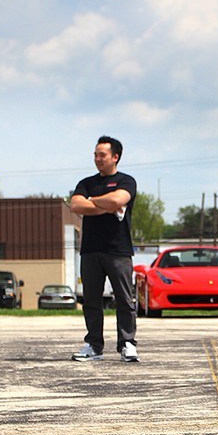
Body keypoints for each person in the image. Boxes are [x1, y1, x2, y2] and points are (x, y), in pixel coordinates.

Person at [69, 135, 139, 362]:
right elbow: (76, 205)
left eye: (102, 155)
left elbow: (118, 201)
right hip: (90, 250)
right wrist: (105, 204)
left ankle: (127, 343)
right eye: (95, 155)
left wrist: (94, 202)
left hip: (118, 250)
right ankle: (93, 345)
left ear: (115, 157)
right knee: (91, 299)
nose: (98, 159)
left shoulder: (126, 181)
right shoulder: (86, 182)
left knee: (124, 298)